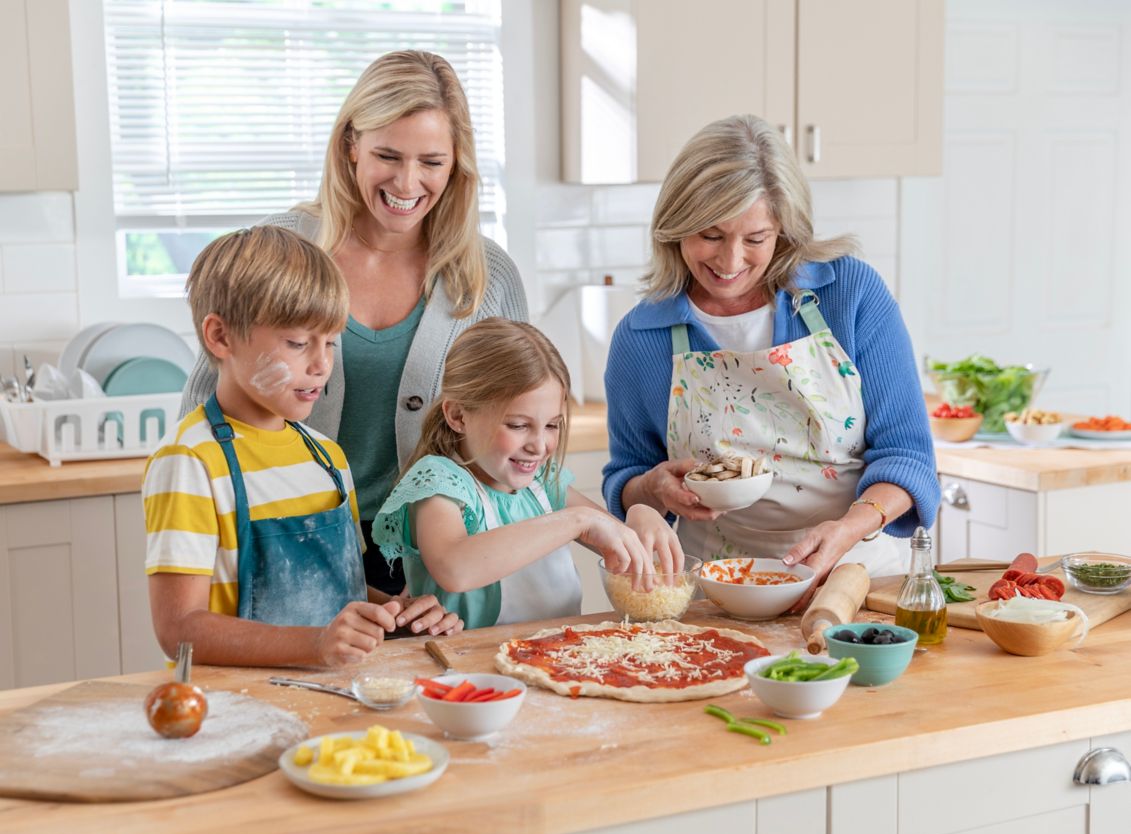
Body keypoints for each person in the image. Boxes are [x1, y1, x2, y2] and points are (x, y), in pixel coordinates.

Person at [180, 50, 528, 604]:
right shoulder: (283, 250)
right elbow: (205, 413)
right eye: (387, 155)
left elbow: (515, 429)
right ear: (350, 146)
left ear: (457, 162)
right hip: (291, 544)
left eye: (432, 161)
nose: (408, 181)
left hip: (438, 559)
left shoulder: (489, 277)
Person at [602, 114, 940, 599]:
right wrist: (652, 489)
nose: (731, 260)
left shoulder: (848, 295)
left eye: (755, 239)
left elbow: (908, 455)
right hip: (720, 590)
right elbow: (628, 477)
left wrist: (848, 527)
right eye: (710, 235)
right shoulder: (643, 337)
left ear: (783, 229)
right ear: (674, 226)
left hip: (861, 577)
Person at [146, 226, 462, 668]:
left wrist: (394, 615)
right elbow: (179, 629)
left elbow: (340, 589)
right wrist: (315, 645)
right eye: (297, 343)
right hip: (233, 707)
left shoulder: (327, 458)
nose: (321, 365)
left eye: (331, 342)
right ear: (220, 337)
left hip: (331, 694)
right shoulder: (191, 461)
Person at [373, 318, 682, 629]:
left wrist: (640, 516)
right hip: (471, 669)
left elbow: (614, 539)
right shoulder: (439, 482)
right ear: (458, 415)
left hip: (559, 660)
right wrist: (577, 520)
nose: (538, 446)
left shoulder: (542, 484)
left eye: (551, 426)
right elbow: (455, 568)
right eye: (518, 426)